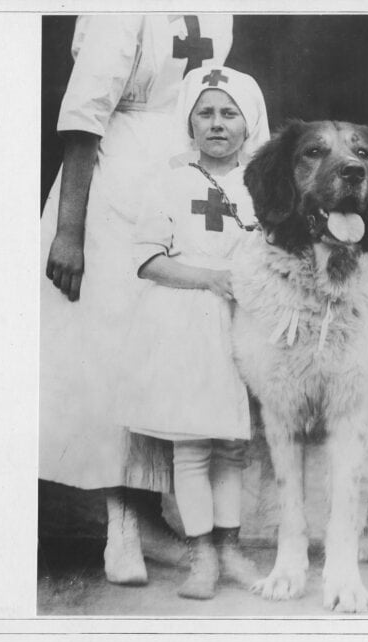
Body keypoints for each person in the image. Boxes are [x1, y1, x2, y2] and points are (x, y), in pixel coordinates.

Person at [39, 14, 234, 585]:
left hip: (183, 173)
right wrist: (70, 229)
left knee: (168, 346)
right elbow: (84, 116)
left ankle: (153, 517)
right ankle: (121, 527)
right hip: (114, 177)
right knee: (112, 345)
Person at [117, 65, 269, 599]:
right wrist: (208, 278)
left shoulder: (261, 184)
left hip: (242, 324)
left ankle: (230, 546)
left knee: (232, 446)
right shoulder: (170, 178)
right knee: (192, 447)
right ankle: (201, 553)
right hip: (183, 322)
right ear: (190, 121)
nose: (217, 124)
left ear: (249, 122)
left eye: (229, 113)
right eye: (205, 113)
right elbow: (148, 259)